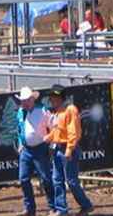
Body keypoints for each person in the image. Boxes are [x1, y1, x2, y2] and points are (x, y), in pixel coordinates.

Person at [44, 84, 93, 216]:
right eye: (52, 97)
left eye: (55, 97)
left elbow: (73, 132)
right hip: (58, 148)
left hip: (66, 148)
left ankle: (86, 205)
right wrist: (48, 138)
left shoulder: (69, 110)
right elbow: (57, 131)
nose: (53, 99)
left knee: (71, 181)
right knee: (57, 179)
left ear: (61, 98)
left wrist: (69, 150)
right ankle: (61, 209)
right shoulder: (58, 112)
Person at [15, 87, 55, 216]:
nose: (25, 103)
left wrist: (50, 142)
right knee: (23, 178)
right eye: (23, 100)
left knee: (46, 178)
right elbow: (19, 129)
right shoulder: (20, 112)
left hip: (40, 148)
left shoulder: (42, 111)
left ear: (32, 99)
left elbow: (53, 126)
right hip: (26, 149)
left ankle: (52, 207)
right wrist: (21, 143)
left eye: (27, 100)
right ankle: (29, 208)